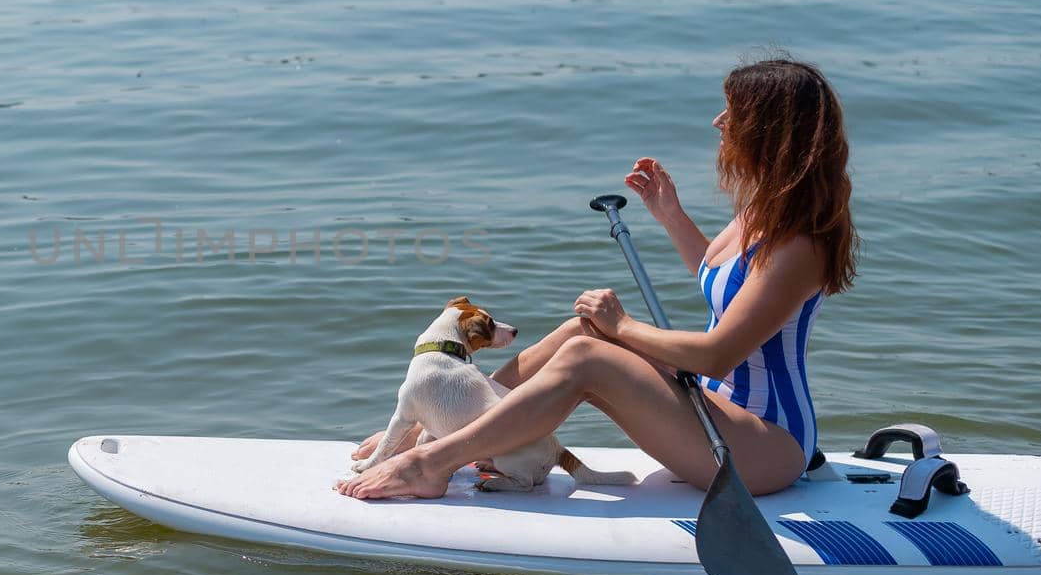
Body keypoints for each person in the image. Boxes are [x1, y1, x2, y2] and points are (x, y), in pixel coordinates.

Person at [338, 58, 859, 500]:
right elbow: (728, 284)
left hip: (764, 445)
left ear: (770, 131)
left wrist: (624, 325)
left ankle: (430, 464)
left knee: (592, 354)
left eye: (734, 113)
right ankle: (444, 424)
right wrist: (670, 215)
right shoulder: (763, 213)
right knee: (582, 332)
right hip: (719, 408)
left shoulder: (798, 243)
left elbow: (717, 353)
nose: (719, 122)